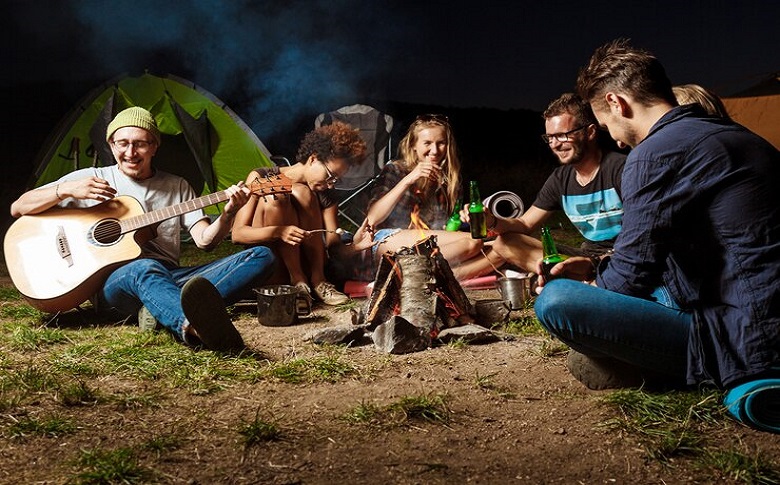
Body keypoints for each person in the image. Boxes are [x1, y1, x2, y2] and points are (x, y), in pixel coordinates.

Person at [533, 39, 780, 422]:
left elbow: (630, 277)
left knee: (557, 301)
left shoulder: (654, 153)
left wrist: (593, 291)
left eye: (604, 122)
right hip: (753, 302)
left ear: (617, 103)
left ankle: (682, 371)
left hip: (747, 334)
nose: (613, 137)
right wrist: (593, 268)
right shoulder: (739, 136)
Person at [10, 107, 276, 353]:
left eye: (140, 143)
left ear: (154, 146)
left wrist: (229, 213)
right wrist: (65, 189)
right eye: (122, 143)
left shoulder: (177, 187)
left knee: (262, 255)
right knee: (144, 267)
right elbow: (19, 207)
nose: (130, 152)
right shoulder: (90, 178)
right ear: (111, 145)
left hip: (171, 276)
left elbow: (204, 241)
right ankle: (194, 327)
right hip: (114, 286)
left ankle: (157, 307)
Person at [231, 121, 371, 305]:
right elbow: (237, 234)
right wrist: (279, 231)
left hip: (310, 269)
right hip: (271, 266)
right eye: (330, 175)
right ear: (313, 159)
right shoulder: (261, 178)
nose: (331, 184)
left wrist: (355, 247)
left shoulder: (326, 194)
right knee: (280, 195)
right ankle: (297, 282)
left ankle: (317, 282)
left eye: (336, 179)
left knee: (303, 193)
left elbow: (333, 246)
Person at [484, 93, 628, 272]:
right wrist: (491, 221)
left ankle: (572, 277)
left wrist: (603, 261)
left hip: (625, 257)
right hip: (587, 257)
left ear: (590, 132)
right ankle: (573, 275)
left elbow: (645, 238)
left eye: (562, 135)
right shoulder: (560, 178)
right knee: (505, 243)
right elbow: (525, 225)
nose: (554, 144)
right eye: (550, 137)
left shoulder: (622, 169)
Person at [364, 114, 505, 280]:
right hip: (387, 241)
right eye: (427, 143)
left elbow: (444, 228)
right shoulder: (396, 169)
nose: (435, 150)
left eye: (441, 143)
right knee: (473, 242)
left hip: (427, 244)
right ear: (414, 145)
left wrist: (461, 220)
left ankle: (433, 279)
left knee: (500, 250)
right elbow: (372, 218)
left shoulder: (449, 178)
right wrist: (409, 179)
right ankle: (429, 276)